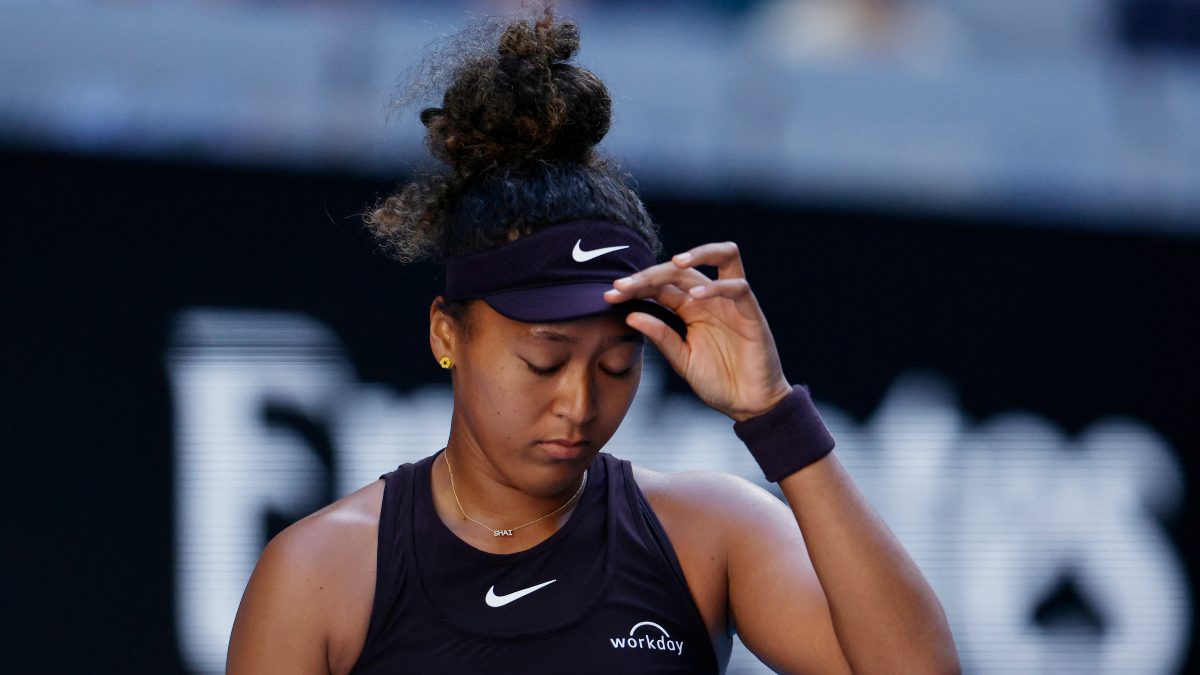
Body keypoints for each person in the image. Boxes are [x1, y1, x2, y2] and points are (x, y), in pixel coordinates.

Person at [226, 7, 959, 674]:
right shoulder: (322, 572)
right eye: (543, 362)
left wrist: (773, 414)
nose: (578, 403)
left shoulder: (707, 533)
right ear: (447, 332)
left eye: (615, 364)